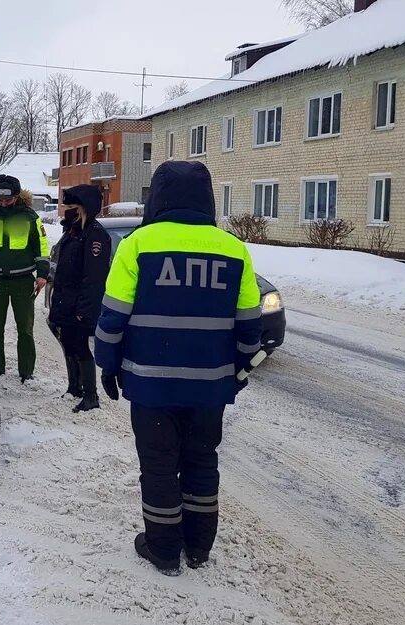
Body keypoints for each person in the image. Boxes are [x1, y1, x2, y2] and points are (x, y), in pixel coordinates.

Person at [94, 161, 262, 575]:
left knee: (159, 465)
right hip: (211, 387)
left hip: (151, 386)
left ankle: (164, 549)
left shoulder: (137, 245)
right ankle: (199, 547)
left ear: (157, 198)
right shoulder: (233, 248)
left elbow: (113, 317)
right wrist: (238, 370)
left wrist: (108, 366)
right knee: (203, 462)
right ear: (207, 198)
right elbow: (250, 326)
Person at [0, 174, 50, 383]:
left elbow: (40, 246)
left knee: (25, 328)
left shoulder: (30, 217)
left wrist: (42, 275)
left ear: (17, 196)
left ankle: (26, 372)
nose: (4, 203)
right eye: (0, 199)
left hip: (23, 281)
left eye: (8, 199)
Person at [47, 185, 111, 413]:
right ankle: (74, 386)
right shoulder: (73, 232)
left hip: (79, 305)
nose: (67, 211)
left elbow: (93, 279)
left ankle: (90, 396)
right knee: (69, 344)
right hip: (65, 301)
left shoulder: (95, 235)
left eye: (72, 207)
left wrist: (84, 310)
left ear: (84, 208)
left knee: (80, 346)